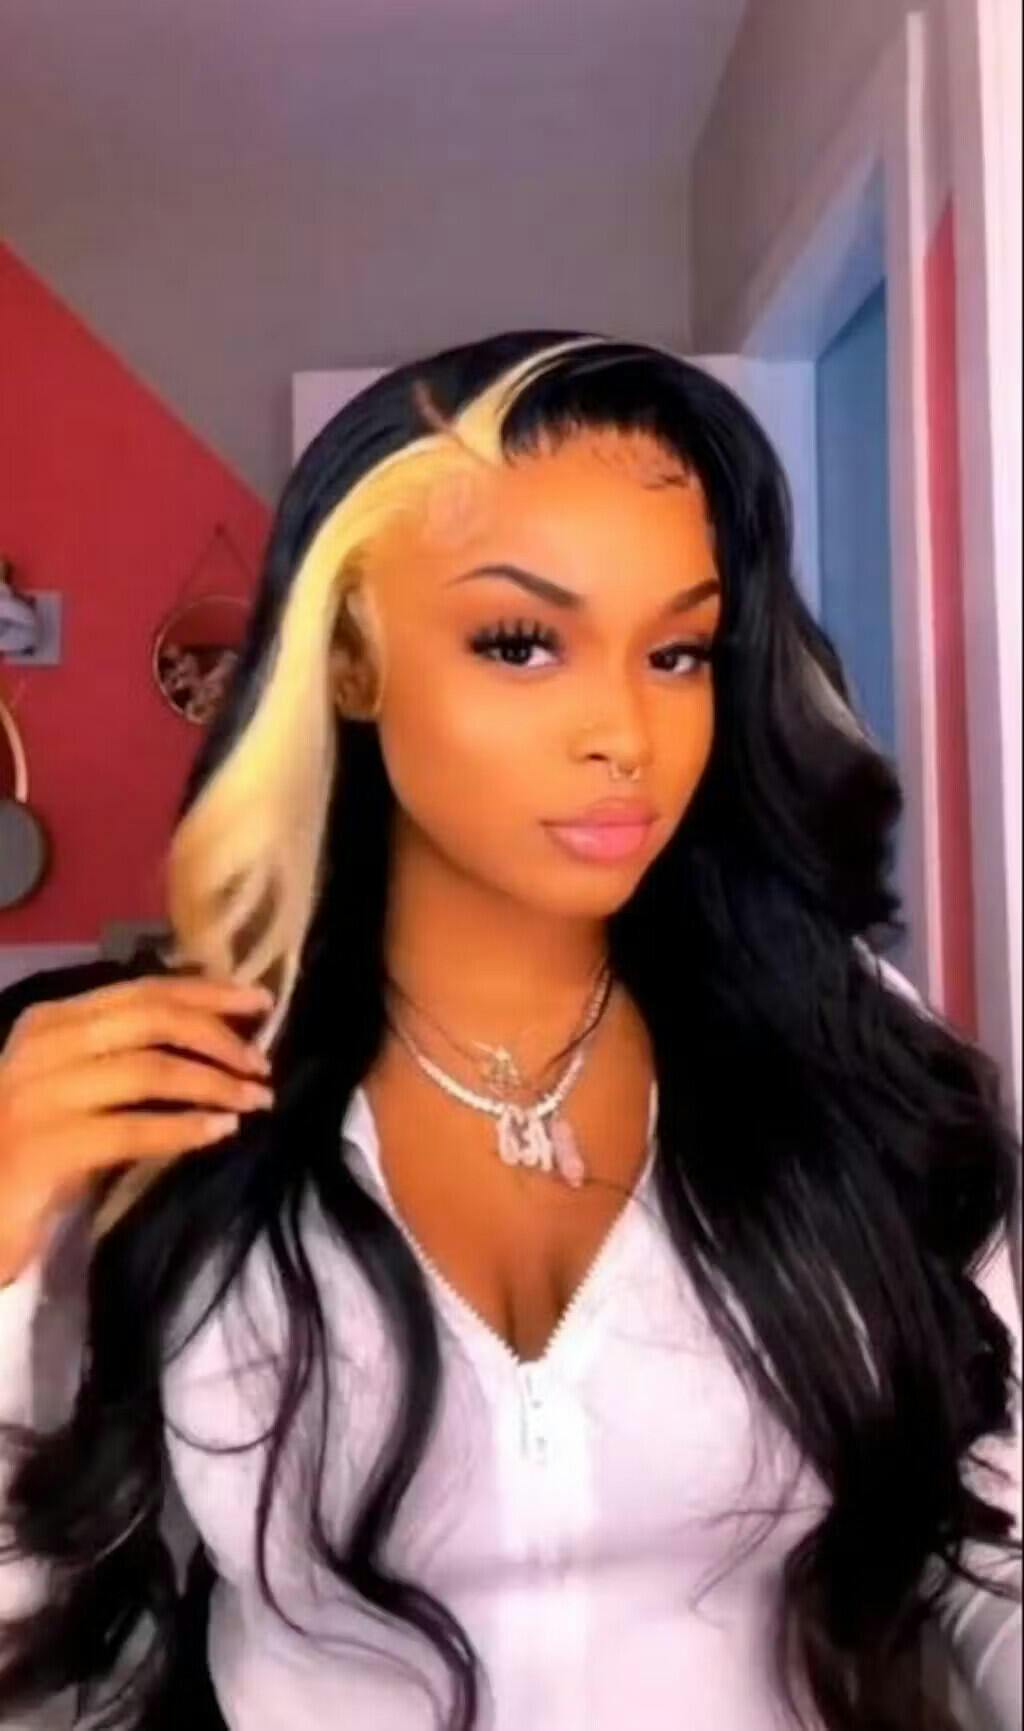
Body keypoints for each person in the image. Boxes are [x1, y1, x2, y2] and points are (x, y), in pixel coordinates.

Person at [0, 332, 1020, 1731]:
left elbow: (992, 1536)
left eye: (678, 652)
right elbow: (35, 1642)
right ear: (349, 660)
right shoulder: (151, 1086)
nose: (627, 734)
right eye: (522, 642)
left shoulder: (838, 1039)